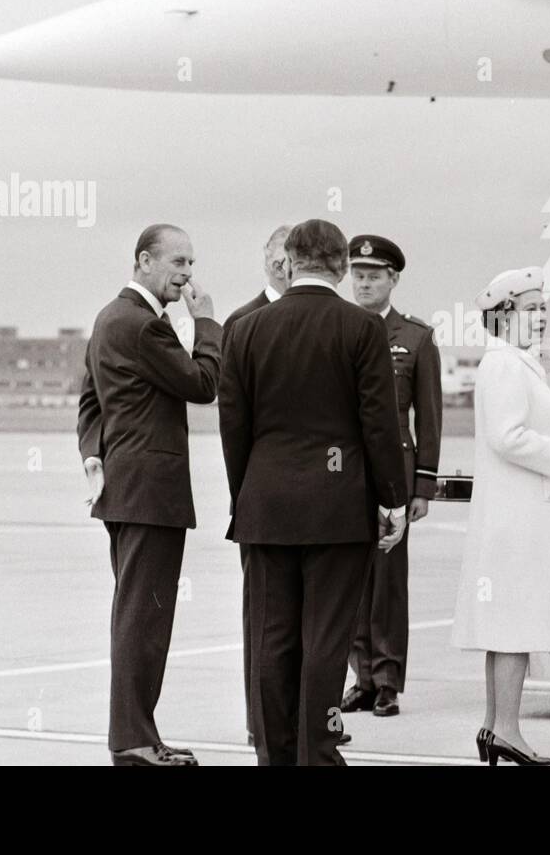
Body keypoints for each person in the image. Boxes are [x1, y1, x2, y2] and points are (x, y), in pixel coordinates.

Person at [219, 219, 408, 766]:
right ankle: (317, 753)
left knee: (272, 639)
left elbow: (234, 427)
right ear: (342, 266)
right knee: (325, 640)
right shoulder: (362, 328)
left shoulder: (246, 329)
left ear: (291, 262)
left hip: (265, 504)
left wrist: (247, 494)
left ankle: (275, 756)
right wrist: (391, 500)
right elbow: (379, 424)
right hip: (336, 507)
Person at [76, 223, 221, 766]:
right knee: (144, 619)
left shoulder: (108, 318)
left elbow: (89, 400)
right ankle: (134, 742)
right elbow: (203, 384)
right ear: (144, 262)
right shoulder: (142, 325)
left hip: (126, 489)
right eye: (178, 263)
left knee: (138, 615)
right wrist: (206, 321)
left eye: (190, 263)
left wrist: (96, 454)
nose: (187, 275)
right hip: (149, 493)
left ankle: (139, 734)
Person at [451, 266, 550, 766]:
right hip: (516, 520)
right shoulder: (506, 365)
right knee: (514, 624)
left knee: (505, 626)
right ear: (503, 315)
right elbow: (506, 436)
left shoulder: (516, 361)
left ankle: (496, 727)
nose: (540, 317)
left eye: (542, 309)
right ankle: (508, 731)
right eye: (531, 309)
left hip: (515, 515)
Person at [340, 235, 442, 719]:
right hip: (344, 474)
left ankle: (387, 680)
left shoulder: (416, 337)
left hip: (395, 475)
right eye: (357, 275)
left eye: (373, 276)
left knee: (388, 580)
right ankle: (360, 677)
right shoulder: (336, 327)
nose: (363, 283)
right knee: (349, 578)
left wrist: (423, 486)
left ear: (393, 279)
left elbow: (430, 417)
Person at [220, 223, 291, 746]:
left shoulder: (332, 320)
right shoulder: (241, 322)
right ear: (266, 259)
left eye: (296, 254)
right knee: (263, 620)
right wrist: (241, 495)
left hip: (314, 497)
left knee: (311, 622)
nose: (286, 264)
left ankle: (311, 716)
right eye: (279, 254)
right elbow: (233, 422)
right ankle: (260, 720)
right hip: (262, 499)